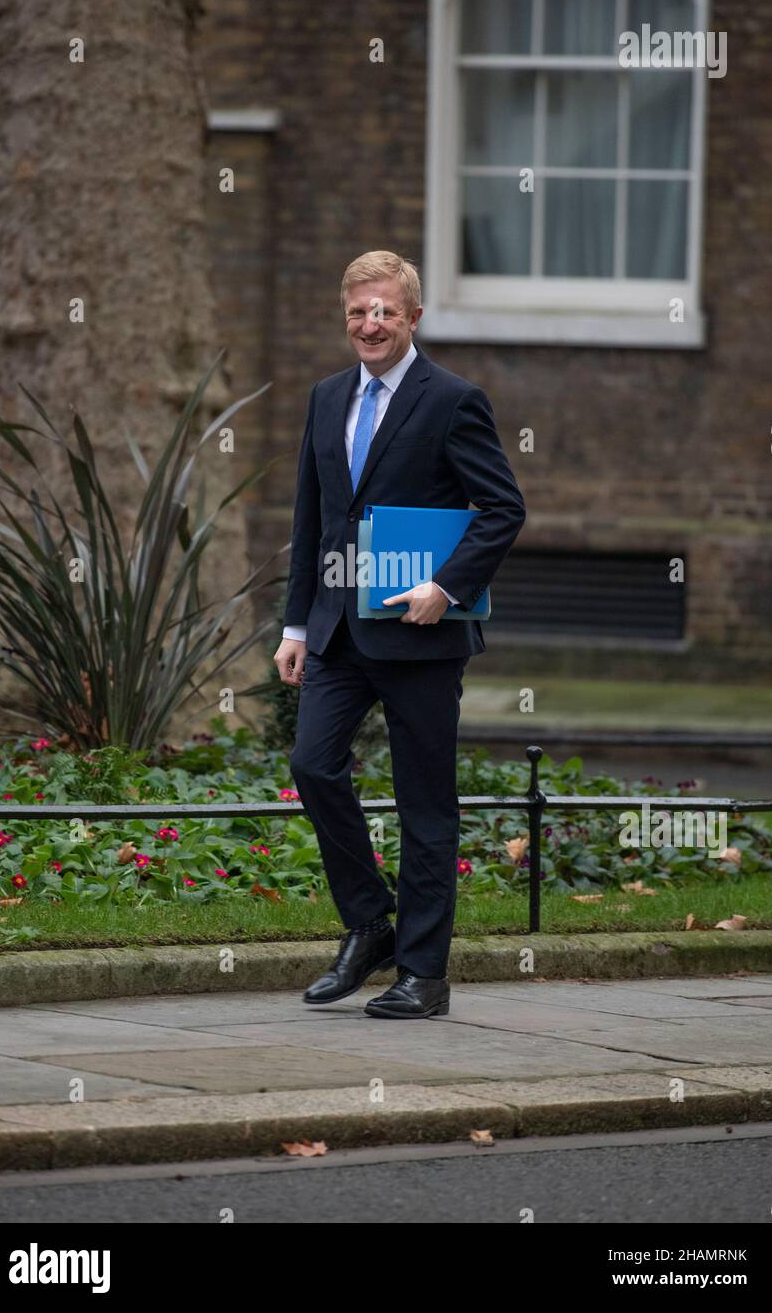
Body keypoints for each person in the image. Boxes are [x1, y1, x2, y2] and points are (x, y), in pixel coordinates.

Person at [274, 250, 525, 1019]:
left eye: (385, 311)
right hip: (338, 631)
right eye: (358, 312)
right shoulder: (324, 399)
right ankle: (368, 926)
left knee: (425, 806)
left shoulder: (452, 400)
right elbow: (314, 520)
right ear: (345, 318)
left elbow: (501, 508)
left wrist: (446, 586)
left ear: (413, 317)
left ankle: (423, 975)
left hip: (420, 638)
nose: (371, 324)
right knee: (313, 767)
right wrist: (294, 624)